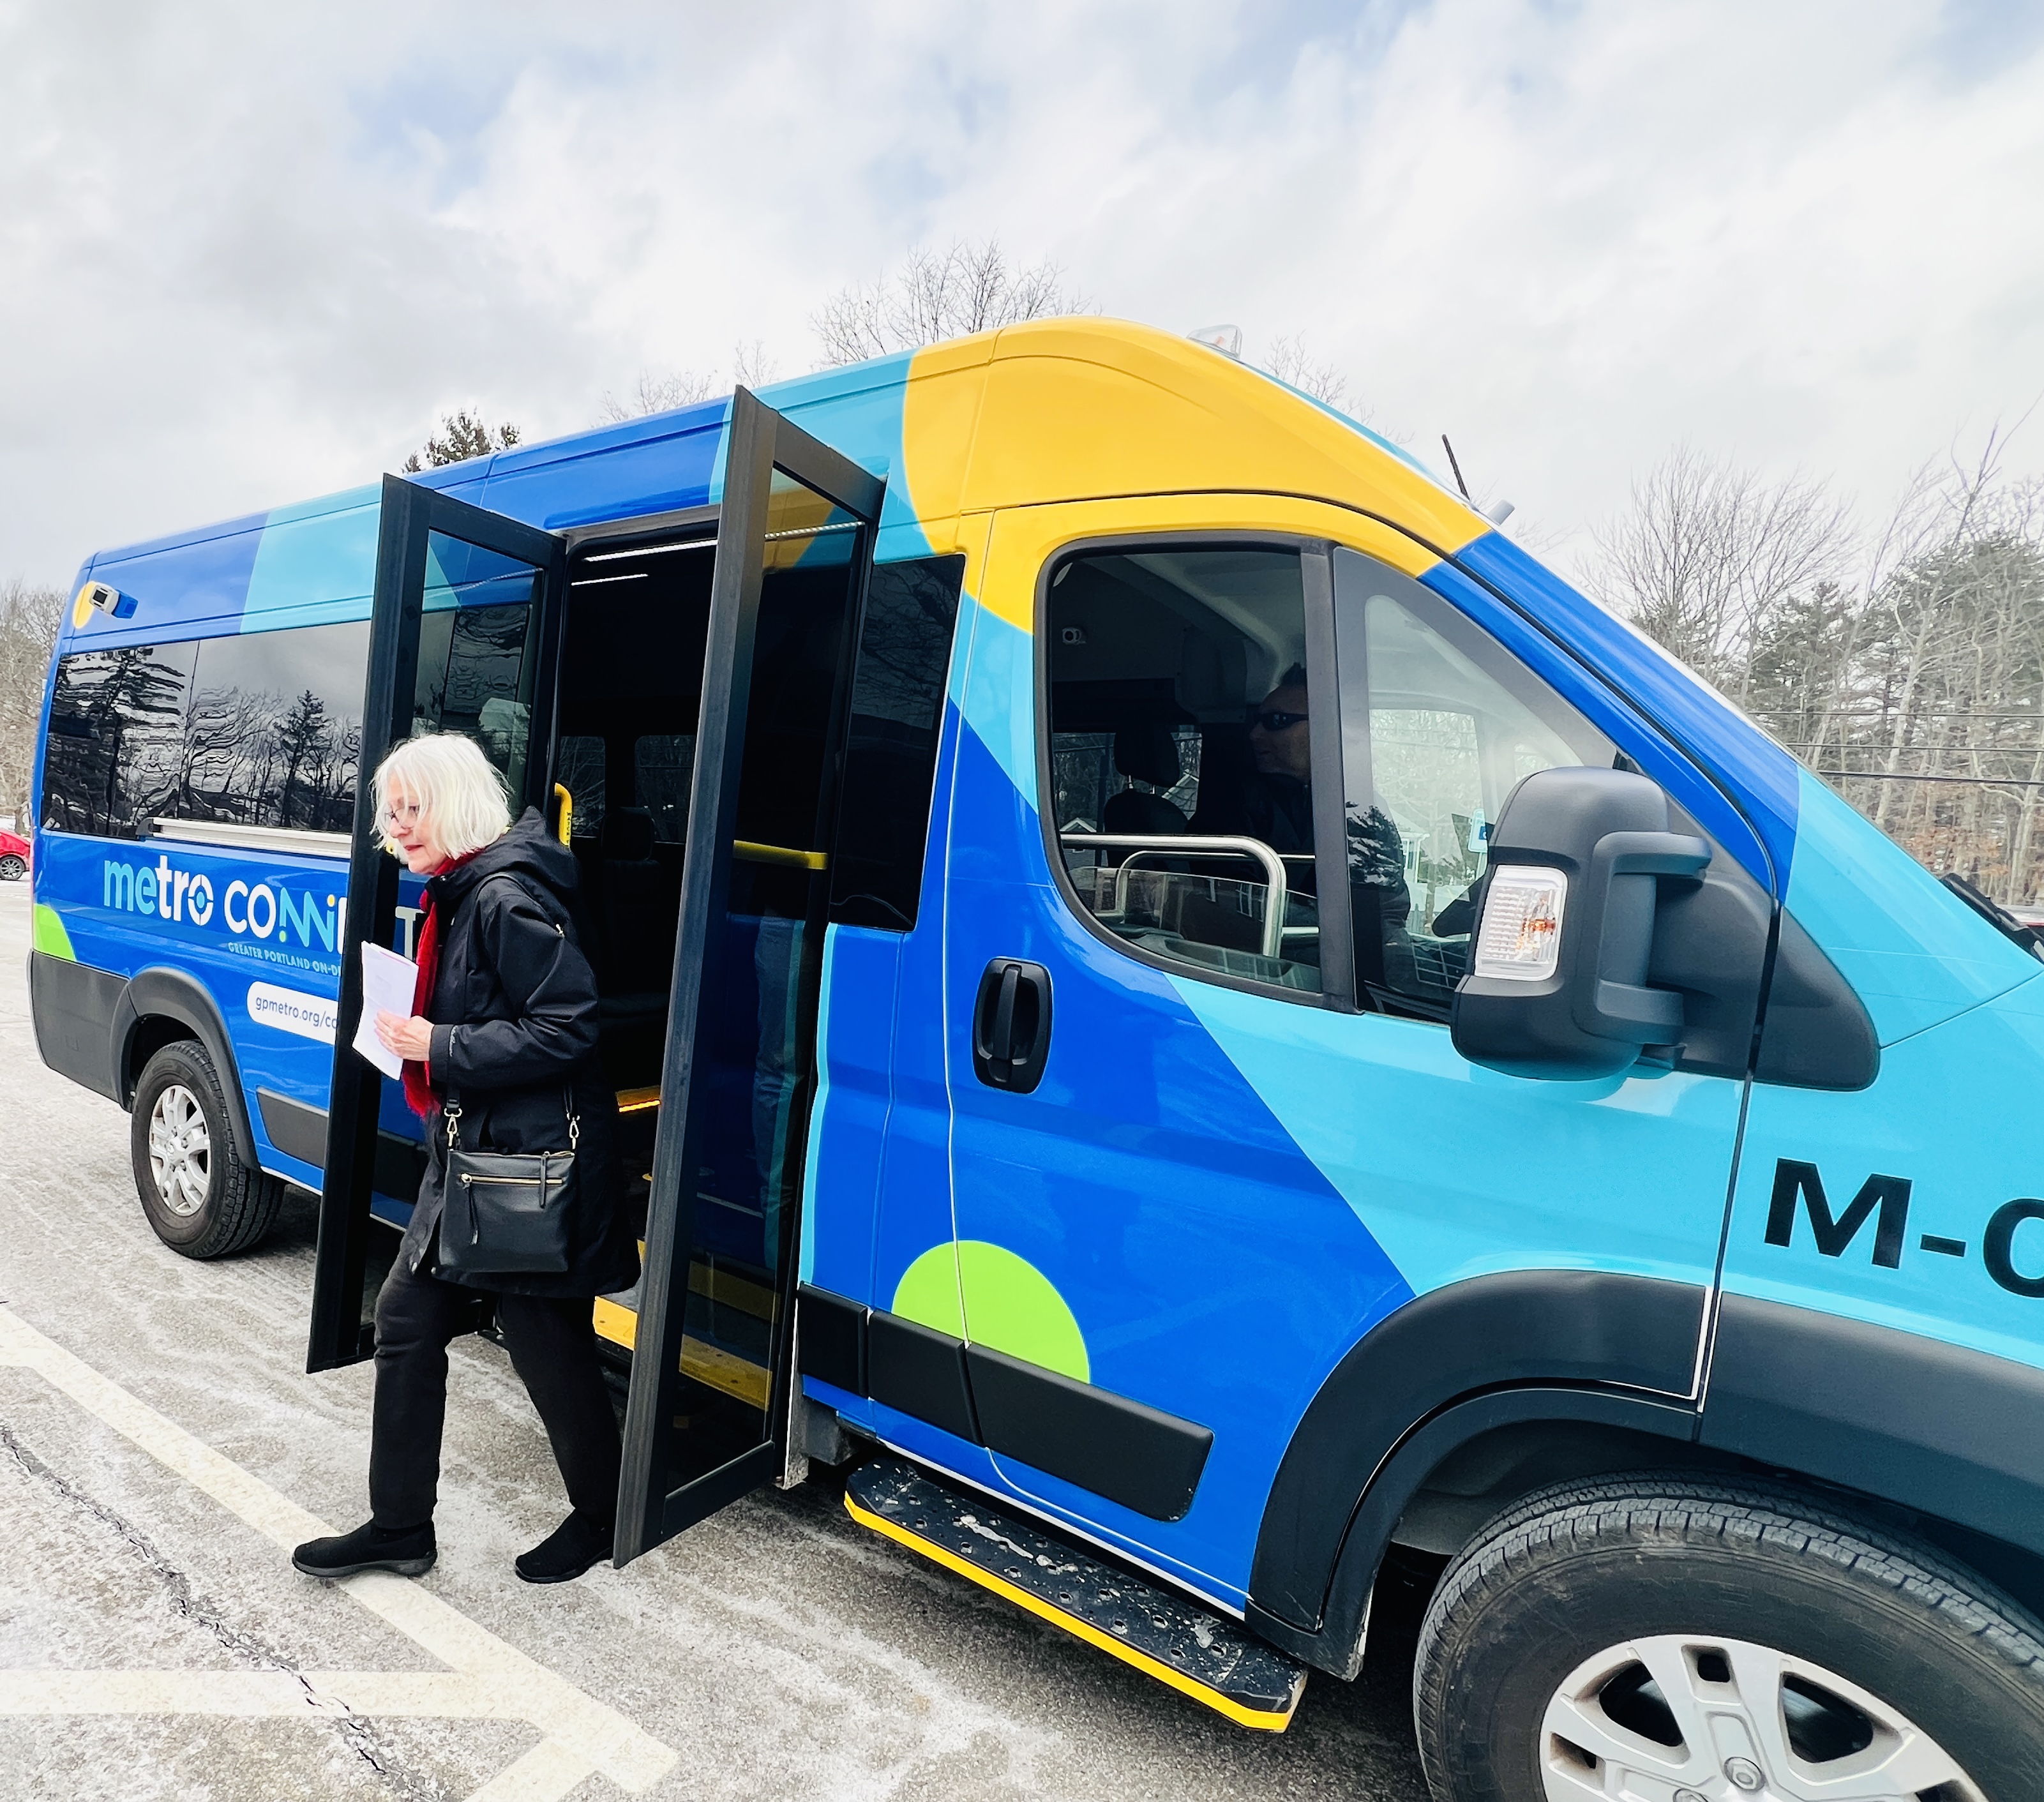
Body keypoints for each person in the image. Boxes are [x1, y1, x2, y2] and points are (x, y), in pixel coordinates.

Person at [292, 733, 638, 1587]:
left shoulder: (505, 896)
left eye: (411, 808)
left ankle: (603, 1515)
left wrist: (438, 1042)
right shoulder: (467, 888)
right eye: (389, 812)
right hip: (476, 1156)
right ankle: (400, 1527)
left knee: (545, 1340)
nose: (396, 827)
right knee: (408, 1325)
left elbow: (569, 1027)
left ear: (452, 803)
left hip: (525, 1165)